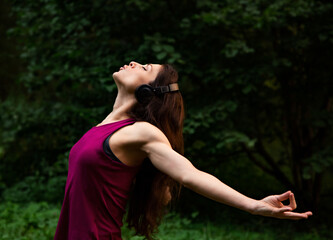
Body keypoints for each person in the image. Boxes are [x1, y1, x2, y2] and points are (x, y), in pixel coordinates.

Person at [54, 61, 312, 240]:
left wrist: (254, 205)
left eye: (145, 68)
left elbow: (190, 175)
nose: (133, 63)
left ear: (148, 91)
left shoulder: (142, 132)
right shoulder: (104, 126)